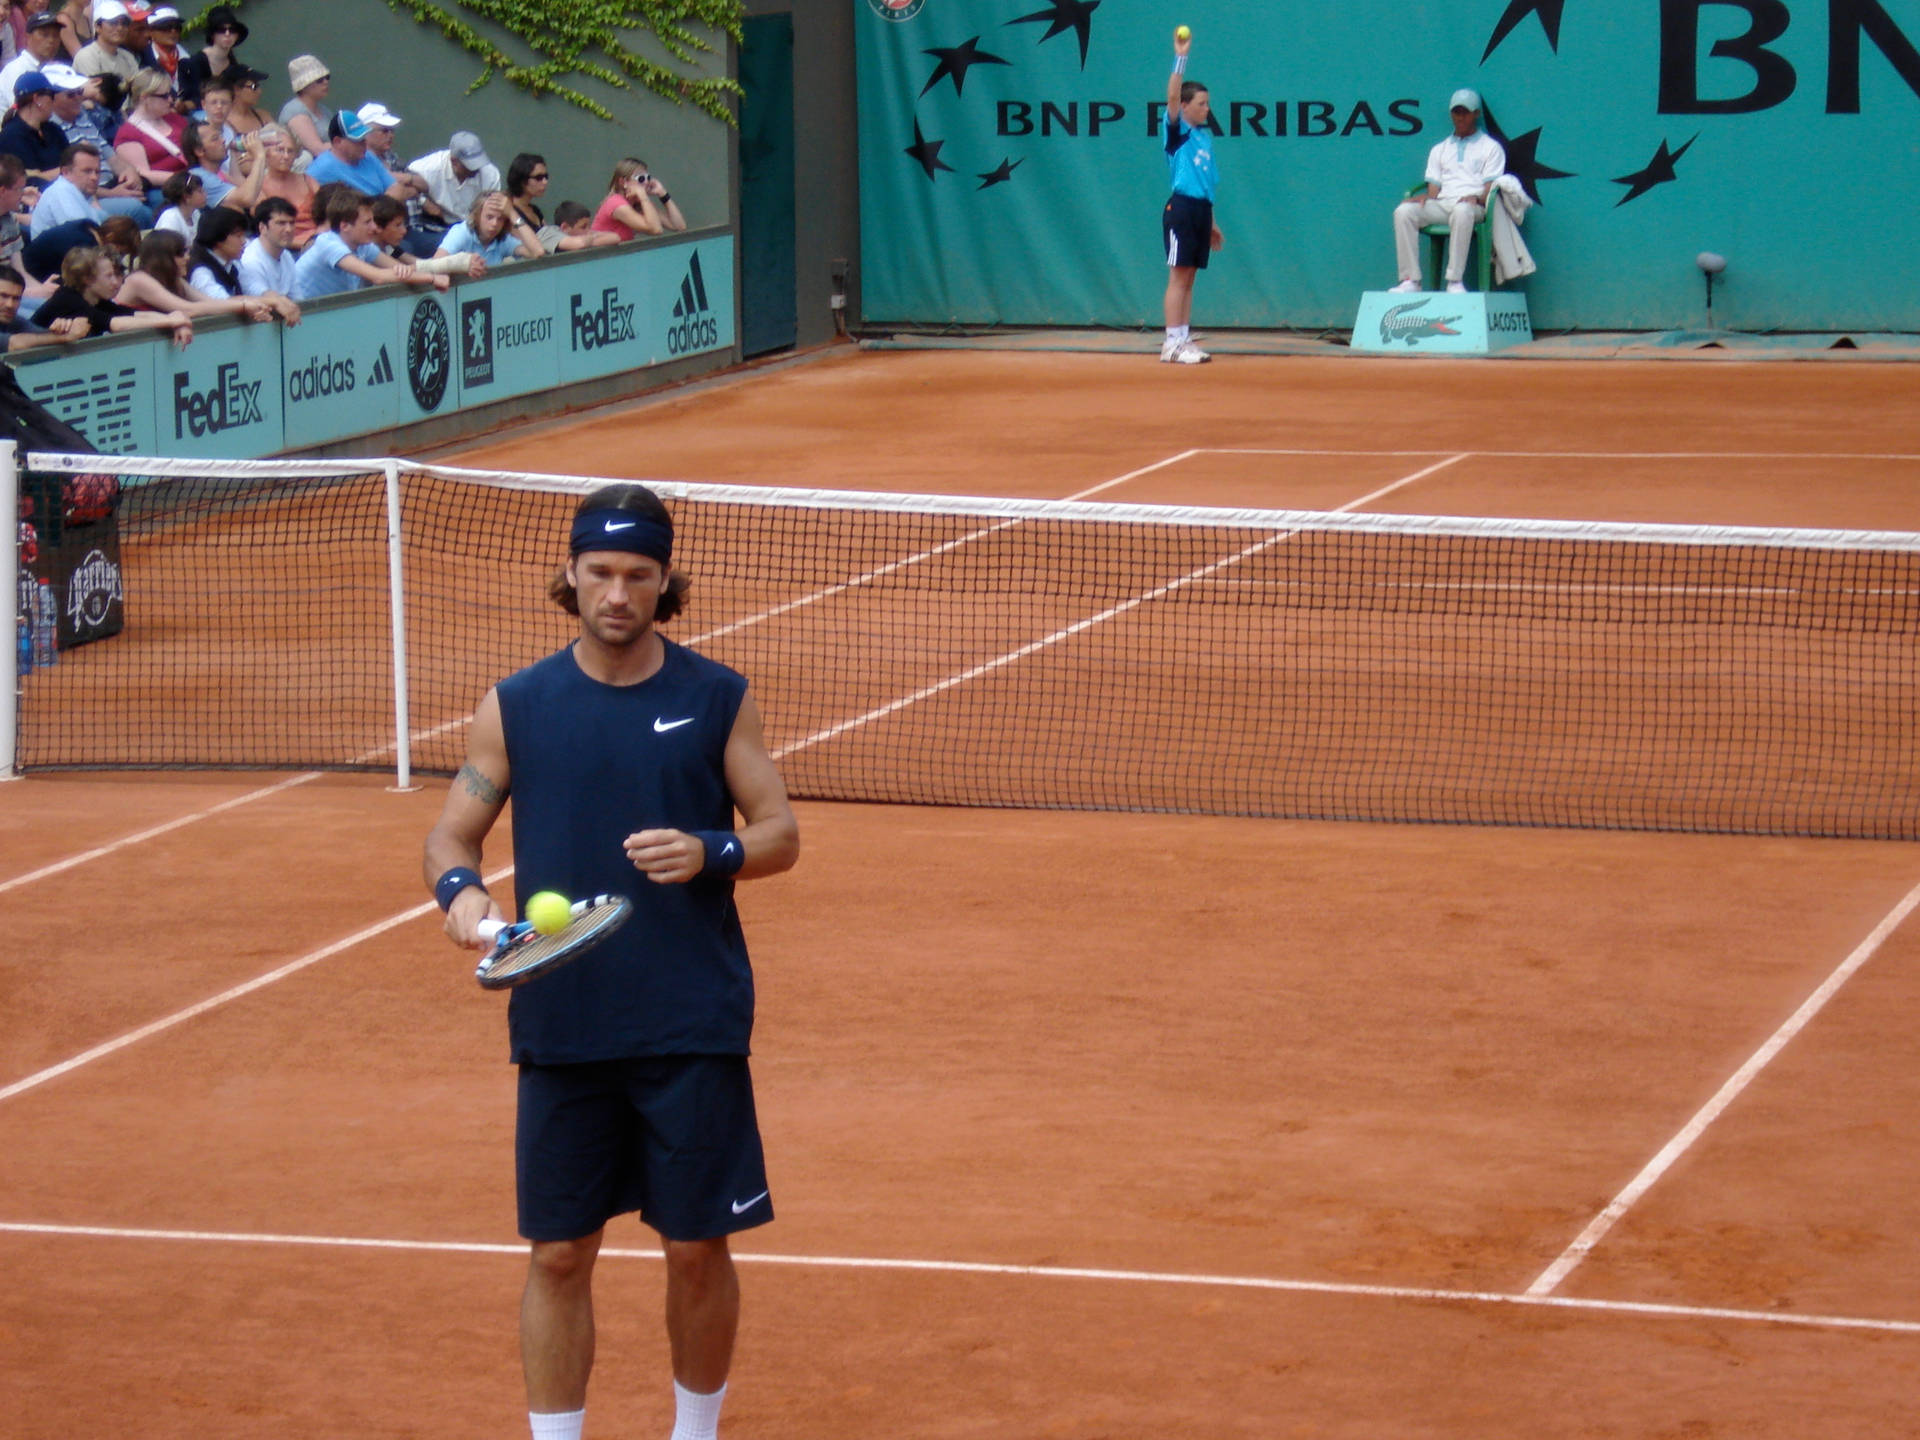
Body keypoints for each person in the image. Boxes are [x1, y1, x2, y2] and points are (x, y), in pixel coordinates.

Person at [423, 482, 799, 1440]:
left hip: (690, 1021)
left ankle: (695, 1432)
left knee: (696, 1249)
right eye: (601, 573)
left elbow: (780, 831)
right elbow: (450, 838)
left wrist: (710, 852)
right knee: (556, 1254)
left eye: (639, 575)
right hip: (563, 1021)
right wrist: (466, 903)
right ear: (572, 576)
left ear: (666, 581)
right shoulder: (517, 706)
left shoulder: (717, 699)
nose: (619, 593)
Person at [1390, 88, 1505, 295]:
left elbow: (1490, 189)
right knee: (1403, 212)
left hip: (1474, 206)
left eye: (1465, 112)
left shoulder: (1491, 147)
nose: (1460, 117)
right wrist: (1424, 197)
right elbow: (1434, 190)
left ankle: (1455, 281)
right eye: (1456, 112)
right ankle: (1411, 281)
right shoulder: (1440, 149)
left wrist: (1476, 197)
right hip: (1443, 204)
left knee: (1462, 210)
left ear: (1476, 114)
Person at [1159, 28, 1221, 365]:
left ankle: (1183, 339)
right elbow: (1170, 96)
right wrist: (1180, 55)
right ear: (1184, 107)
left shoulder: (1204, 139)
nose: (1207, 109)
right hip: (1180, 209)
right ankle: (1171, 343)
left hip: (1200, 211)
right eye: (1201, 103)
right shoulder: (1177, 130)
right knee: (1178, 277)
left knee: (1190, 278)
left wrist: (1212, 222)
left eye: (1208, 103)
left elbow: (1207, 186)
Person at [114, 225, 275, 323]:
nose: (187, 258)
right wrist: (244, 306)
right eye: (180, 253)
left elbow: (211, 303)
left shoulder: (176, 281)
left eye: (187, 252)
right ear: (162, 257)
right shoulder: (139, 280)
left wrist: (267, 303)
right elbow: (188, 310)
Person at [35, 241, 190, 341]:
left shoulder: (96, 300)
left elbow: (132, 314)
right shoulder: (68, 300)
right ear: (87, 279)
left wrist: (174, 317)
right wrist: (169, 321)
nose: (116, 282)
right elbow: (116, 324)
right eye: (108, 276)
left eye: (116, 275)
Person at [406, 127, 495, 255]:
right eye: (470, 165)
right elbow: (402, 184)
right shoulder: (426, 169)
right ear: (454, 161)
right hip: (436, 227)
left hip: (475, 227)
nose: (475, 169)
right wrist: (423, 200)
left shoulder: (490, 173)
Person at [113, 65, 189, 201]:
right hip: (166, 189)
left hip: (192, 178)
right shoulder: (128, 133)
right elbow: (142, 174)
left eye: (171, 94)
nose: (171, 100)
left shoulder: (174, 118)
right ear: (145, 97)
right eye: (164, 96)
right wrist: (189, 179)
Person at [308, 107, 413, 200]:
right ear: (337, 141)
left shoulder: (368, 156)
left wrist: (379, 210)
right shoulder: (319, 171)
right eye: (357, 139)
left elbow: (396, 188)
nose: (364, 143)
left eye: (364, 137)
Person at [252, 122, 318, 248]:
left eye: (291, 151)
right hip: (289, 249)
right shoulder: (258, 188)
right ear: (266, 152)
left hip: (321, 242)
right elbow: (269, 234)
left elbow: (330, 215)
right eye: (280, 150)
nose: (286, 156)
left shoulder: (308, 181)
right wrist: (309, 244)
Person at [436, 188, 541, 266]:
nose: (495, 223)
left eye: (500, 219)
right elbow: (436, 263)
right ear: (477, 216)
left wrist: (512, 214)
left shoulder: (504, 240)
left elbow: (538, 253)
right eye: (489, 217)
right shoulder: (462, 232)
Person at [0, 68, 71, 183]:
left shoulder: (53, 129)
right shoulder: (11, 136)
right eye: (52, 95)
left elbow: (72, 164)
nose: (54, 101)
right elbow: (32, 180)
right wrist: (70, 171)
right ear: (37, 99)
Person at [171, 1, 243, 112]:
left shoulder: (233, 63)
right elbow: (192, 98)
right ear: (212, 34)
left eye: (232, 30)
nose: (227, 34)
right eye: (221, 30)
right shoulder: (196, 62)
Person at [590, 157, 682, 240]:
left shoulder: (640, 204)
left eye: (648, 178)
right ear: (623, 182)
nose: (646, 182)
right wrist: (643, 196)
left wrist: (663, 193)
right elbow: (656, 229)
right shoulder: (616, 203)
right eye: (641, 178)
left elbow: (678, 226)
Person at [0, 262, 87, 347]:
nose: (10, 304)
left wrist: (65, 328)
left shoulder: (13, 320)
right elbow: (14, 344)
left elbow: (41, 335)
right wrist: (66, 337)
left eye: (16, 298)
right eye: (3, 296)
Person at [0, 8, 64, 112]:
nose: (51, 40)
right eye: (45, 35)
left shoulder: (55, 69)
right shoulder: (17, 70)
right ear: (28, 37)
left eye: (55, 36)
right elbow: (22, 114)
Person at [236, 192, 294, 296]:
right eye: (281, 223)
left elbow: (298, 298)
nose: (289, 229)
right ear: (262, 228)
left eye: (292, 223)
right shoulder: (250, 261)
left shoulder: (286, 256)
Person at [278, 52, 329, 161]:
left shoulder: (324, 110)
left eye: (327, 77)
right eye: (319, 80)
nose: (326, 82)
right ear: (304, 84)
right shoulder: (295, 110)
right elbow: (318, 150)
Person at [72, 0, 136, 81]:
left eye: (124, 23)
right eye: (113, 23)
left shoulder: (128, 57)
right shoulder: (87, 56)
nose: (120, 28)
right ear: (97, 27)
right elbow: (97, 91)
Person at [546, 198, 616, 253]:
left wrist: (590, 241)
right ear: (565, 227)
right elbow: (580, 244)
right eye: (583, 227)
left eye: (588, 226)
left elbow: (615, 237)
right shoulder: (553, 238)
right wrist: (589, 241)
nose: (588, 231)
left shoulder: (588, 233)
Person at [148, 162, 198, 237]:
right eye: (200, 191)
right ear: (186, 196)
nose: (205, 194)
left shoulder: (195, 213)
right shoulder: (170, 218)